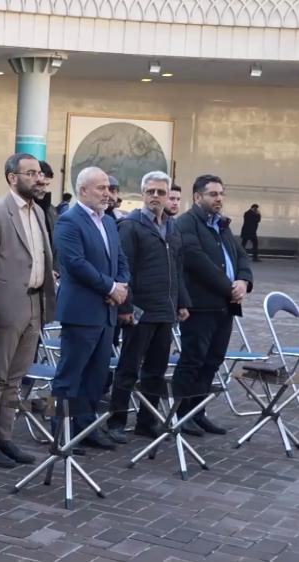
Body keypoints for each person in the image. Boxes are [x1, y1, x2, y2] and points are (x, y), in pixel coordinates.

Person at [0, 153, 57, 467]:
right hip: (6, 307)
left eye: (39, 173)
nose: (38, 178)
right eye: (31, 173)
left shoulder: (37, 212)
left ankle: (3, 438)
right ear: (12, 177)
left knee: (16, 377)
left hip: (35, 304)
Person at [106, 171, 190, 444]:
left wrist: (182, 302)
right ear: (142, 194)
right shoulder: (131, 226)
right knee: (128, 369)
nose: (156, 197)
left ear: (168, 196)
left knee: (155, 370)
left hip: (165, 311)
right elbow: (123, 268)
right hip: (139, 311)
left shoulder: (173, 227)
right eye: (151, 192)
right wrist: (125, 306)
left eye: (161, 192)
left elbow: (178, 268)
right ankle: (116, 421)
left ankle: (147, 421)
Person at [51, 166, 129, 450]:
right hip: (82, 312)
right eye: (101, 188)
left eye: (109, 188)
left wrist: (122, 286)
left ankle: (87, 427)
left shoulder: (108, 221)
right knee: (70, 375)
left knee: (96, 375)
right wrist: (110, 288)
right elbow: (75, 263)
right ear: (83, 190)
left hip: (106, 312)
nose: (107, 194)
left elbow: (120, 258)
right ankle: (60, 431)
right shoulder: (69, 221)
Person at [172, 174, 253, 436]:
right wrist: (230, 289)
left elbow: (240, 255)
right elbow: (197, 262)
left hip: (225, 306)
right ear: (197, 197)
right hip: (200, 306)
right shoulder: (186, 223)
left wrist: (243, 281)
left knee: (213, 360)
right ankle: (181, 414)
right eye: (213, 194)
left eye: (221, 194)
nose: (219, 199)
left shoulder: (222, 225)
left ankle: (198, 412)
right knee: (193, 359)